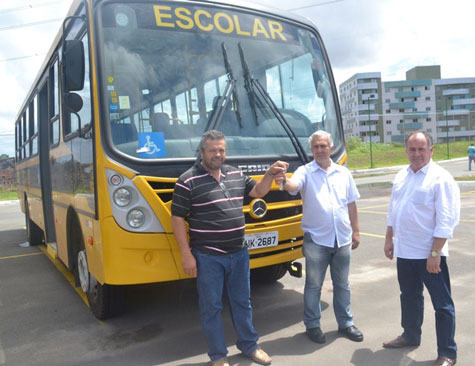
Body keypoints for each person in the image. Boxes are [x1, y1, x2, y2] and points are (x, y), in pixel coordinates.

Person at [171, 130, 288, 366]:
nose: (218, 154)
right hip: (207, 257)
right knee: (211, 307)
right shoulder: (187, 180)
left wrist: (269, 173)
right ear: (202, 152)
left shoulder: (235, 174)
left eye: (222, 149)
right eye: (213, 150)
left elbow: (258, 192)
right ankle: (218, 356)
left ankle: (250, 346)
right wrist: (186, 255)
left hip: (239, 253)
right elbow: (177, 219)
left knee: (242, 302)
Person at [275, 130, 363, 344]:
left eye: (323, 146)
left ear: (331, 148)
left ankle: (346, 324)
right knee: (314, 285)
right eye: (315, 147)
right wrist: (283, 181)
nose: (320, 150)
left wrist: (356, 230)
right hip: (316, 240)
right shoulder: (305, 171)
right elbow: (293, 187)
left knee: (342, 284)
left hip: (341, 238)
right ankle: (313, 325)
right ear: (312, 150)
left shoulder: (343, 173)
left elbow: (351, 203)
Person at [383, 131, 460, 366]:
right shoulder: (402, 174)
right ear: (406, 150)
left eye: (421, 149)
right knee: (409, 297)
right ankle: (410, 335)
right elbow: (393, 209)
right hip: (405, 252)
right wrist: (389, 239)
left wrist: (435, 253)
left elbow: (447, 220)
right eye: (412, 149)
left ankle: (447, 352)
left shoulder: (440, 178)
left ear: (431, 150)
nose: (416, 154)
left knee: (442, 304)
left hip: (429, 255)